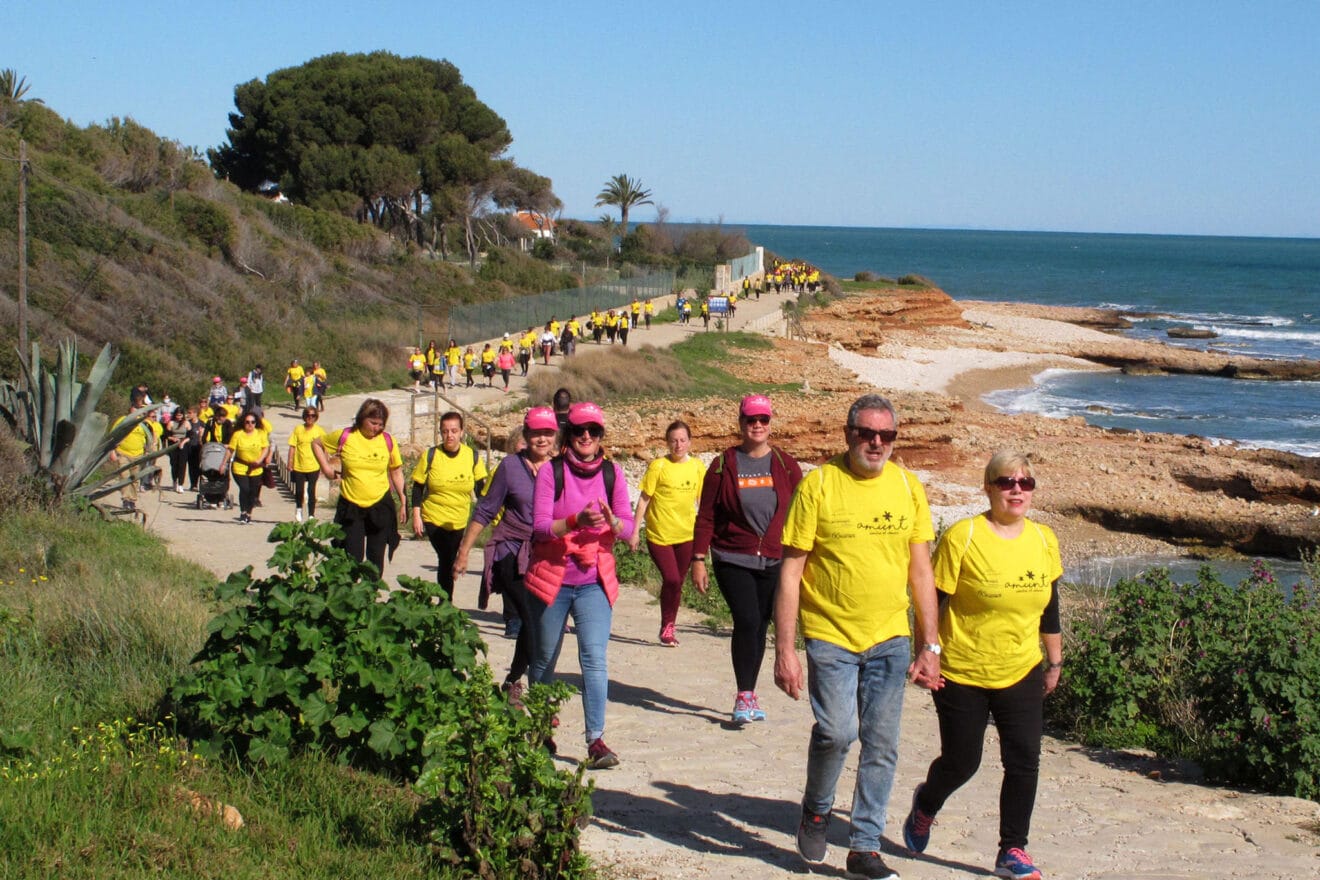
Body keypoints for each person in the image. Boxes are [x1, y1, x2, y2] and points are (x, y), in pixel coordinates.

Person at [773, 394, 942, 880]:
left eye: (886, 435)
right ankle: (817, 809)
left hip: (889, 636)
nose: (876, 443)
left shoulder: (909, 488)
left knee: (882, 743)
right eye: (867, 433)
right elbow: (791, 573)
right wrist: (786, 651)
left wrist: (929, 645)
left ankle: (864, 846)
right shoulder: (820, 485)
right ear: (847, 434)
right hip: (830, 634)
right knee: (837, 732)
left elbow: (921, 572)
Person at [900, 451, 1062, 880]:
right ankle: (926, 804)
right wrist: (926, 653)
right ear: (988, 488)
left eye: (1025, 483)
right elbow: (932, 603)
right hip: (963, 671)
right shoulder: (964, 536)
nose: (1016, 490)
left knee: (1024, 760)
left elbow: (1050, 609)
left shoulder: (1045, 539)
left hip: (1021, 667)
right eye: (1006, 482)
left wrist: (1055, 660)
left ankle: (1012, 850)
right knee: (962, 761)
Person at [525, 401, 634, 769]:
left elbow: (630, 528)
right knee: (543, 658)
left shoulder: (612, 474)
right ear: (568, 435)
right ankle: (541, 731)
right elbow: (540, 527)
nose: (586, 436)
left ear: (601, 435)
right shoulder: (550, 473)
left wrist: (611, 523)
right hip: (553, 579)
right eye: (578, 430)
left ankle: (596, 740)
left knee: (594, 658)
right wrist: (575, 521)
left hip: (593, 581)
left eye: (593, 430)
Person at [692, 394, 803, 724]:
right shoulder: (723, 464)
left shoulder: (786, 465)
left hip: (774, 557)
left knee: (761, 624)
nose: (757, 425)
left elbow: (802, 512)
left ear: (770, 424)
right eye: (751, 420)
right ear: (740, 423)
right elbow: (706, 516)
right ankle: (744, 695)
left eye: (763, 420)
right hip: (732, 556)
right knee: (749, 620)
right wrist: (698, 558)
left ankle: (750, 692)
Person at [454, 407, 558, 704]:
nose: (541, 439)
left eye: (547, 433)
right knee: (529, 616)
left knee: (535, 622)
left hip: (544, 553)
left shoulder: (560, 468)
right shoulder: (511, 467)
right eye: (536, 433)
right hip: (510, 548)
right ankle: (516, 683)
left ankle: (514, 678)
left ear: (555, 436)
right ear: (525, 435)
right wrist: (464, 552)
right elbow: (486, 508)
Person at [629, 420, 705, 646]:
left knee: (677, 583)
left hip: (686, 535)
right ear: (667, 443)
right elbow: (644, 500)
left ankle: (668, 626)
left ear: (689, 442)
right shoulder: (658, 466)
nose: (678, 445)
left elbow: (701, 502)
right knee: (671, 578)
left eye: (682, 440)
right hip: (659, 535)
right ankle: (667, 624)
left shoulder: (697, 467)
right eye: (673, 441)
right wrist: (634, 532)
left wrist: (705, 535)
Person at [312, 398, 405, 574]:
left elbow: (396, 471)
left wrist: (403, 498)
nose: (376, 428)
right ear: (362, 418)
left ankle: (371, 594)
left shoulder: (387, 440)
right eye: (373, 423)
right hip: (352, 505)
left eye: (380, 424)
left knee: (375, 559)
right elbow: (316, 444)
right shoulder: (345, 436)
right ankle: (352, 596)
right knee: (352, 556)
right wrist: (326, 468)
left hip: (380, 504)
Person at [410, 411, 488, 602]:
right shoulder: (431, 455)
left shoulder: (472, 456)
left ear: (462, 432)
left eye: (454, 431)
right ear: (440, 433)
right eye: (445, 431)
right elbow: (418, 487)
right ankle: (446, 603)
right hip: (433, 517)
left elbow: (481, 488)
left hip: (459, 520)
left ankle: (445, 597)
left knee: (450, 559)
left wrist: (486, 514)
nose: (450, 435)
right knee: (446, 558)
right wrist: (417, 515)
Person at [222, 411, 270, 525]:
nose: (250, 424)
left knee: (253, 492)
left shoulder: (261, 434)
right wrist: (223, 463)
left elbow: (265, 448)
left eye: (253, 422)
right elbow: (230, 449)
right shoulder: (238, 434)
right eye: (247, 422)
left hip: (256, 467)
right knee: (245, 489)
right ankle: (243, 512)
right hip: (240, 466)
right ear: (243, 423)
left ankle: (249, 513)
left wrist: (260, 460)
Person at [109, 404, 157, 511]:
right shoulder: (122, 420)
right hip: (123, 453)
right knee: (124, 476)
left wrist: (150, 451)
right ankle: (126, 499)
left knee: (134, 478)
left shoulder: (144, 423)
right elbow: (113, 435)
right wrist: (112, 451)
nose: (135, 415)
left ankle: (132, 500)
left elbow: (152, 437)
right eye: (133, 412)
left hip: (138, 455)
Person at [287, 407, 326, 522]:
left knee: (311, 490)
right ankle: (299, 508)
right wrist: (290, 461)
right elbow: (292, 446)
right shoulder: (298, 429)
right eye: (308, 415)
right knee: (299, 490)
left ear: (316, 417)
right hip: (299, 465)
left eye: (313, 415)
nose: (310, 418)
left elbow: (325, 447)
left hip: (313, 465)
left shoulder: (319, 431)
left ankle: (311, 515)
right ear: (304, 416)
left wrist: (325, 463)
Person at [164, 405, 193, 493]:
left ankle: (180, 484)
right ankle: (174, 480)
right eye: (177, 415)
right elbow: (166, 435)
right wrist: (173, 439)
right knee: (174, 464)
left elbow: (190, 435)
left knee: (182, 465)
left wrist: (183, 442)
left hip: (183, 445)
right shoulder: (171, 423)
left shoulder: (186, 423)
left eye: (180, 415)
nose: (179, 417)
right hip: (173, 444)